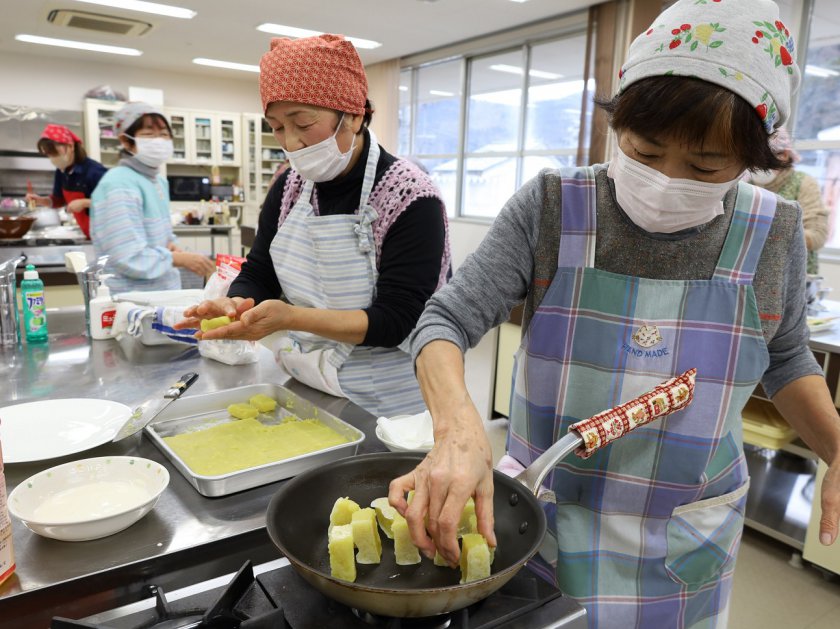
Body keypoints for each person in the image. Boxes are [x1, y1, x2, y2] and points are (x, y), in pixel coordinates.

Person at [391, 1, 840, 627]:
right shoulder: (554, 207)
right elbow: (444, 320)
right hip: (543, 519)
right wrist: (459, 429)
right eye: (645, 151)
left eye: (704, 166)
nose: (665, 180)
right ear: (618, 121)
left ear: (753, 160)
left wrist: (836, 446)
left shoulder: (774, 234)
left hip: (685, 542)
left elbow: (786, 356)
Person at [178, 35, 450, 417]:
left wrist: (292, 318)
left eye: (303, 123)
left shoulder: (409, 197)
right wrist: (237, 301)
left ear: (354, 115)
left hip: (388, 403)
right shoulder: (289, 188)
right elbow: (260, 270)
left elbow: (398, 320)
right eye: (276, 127)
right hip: (309, 385)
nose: (292, 143)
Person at [90, 102, 215, 293]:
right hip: (129, 301)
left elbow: (162, 236)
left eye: (164, 134)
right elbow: (127, 256)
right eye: (148, 134)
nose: (159, 141)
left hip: (161, 294)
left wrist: (172, 247)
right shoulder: (117, 184)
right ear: (126, 141)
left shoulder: (157, 181)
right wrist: (178, 259)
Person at [749, 127, 829, 274]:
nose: (756, 166)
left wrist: (770, 234)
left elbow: (818, 236)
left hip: (793, 272)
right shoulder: (747, 184)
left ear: (784, 155)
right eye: (752, 160)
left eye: (762, 159)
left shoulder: (804, 183)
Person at [25, 124, 106, 239]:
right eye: (49, 155)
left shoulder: (95, 171)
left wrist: (85, 202)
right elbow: (58, 200)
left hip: (106, 234)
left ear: (71, 147)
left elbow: (114, 202)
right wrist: (41, 200)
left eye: (55, 153)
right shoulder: (62, 171)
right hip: (88, 234)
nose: (53, 158)